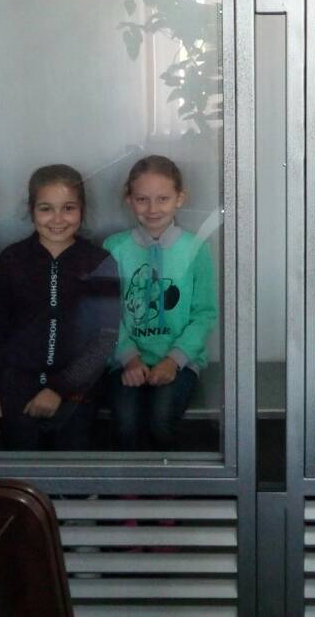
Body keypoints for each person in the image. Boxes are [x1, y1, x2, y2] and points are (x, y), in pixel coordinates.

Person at [0, 165, 120, 451]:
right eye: (46, 208)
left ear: (82, 210)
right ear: (31, 210)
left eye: (68, 208)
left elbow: (105, 339)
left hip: (77, 386)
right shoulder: (12, 260)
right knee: (20, 457)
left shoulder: (99, 262)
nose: (57, 219)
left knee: (70, 459)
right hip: (17, 382)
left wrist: (59, 389)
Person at [105, 155, 217, 450]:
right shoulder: (114, 248)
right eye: (142, 199)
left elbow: (204, 313)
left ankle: (170, 478)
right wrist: (129, 357)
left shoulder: (196, 248)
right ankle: (130, 481)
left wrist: (174, 360)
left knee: (161, 418)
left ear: (180, 198)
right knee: (126, 421)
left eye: (163, 199)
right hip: (125, 360)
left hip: (180, 361)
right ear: (129, 200)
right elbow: (105, 312)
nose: (153, 209)